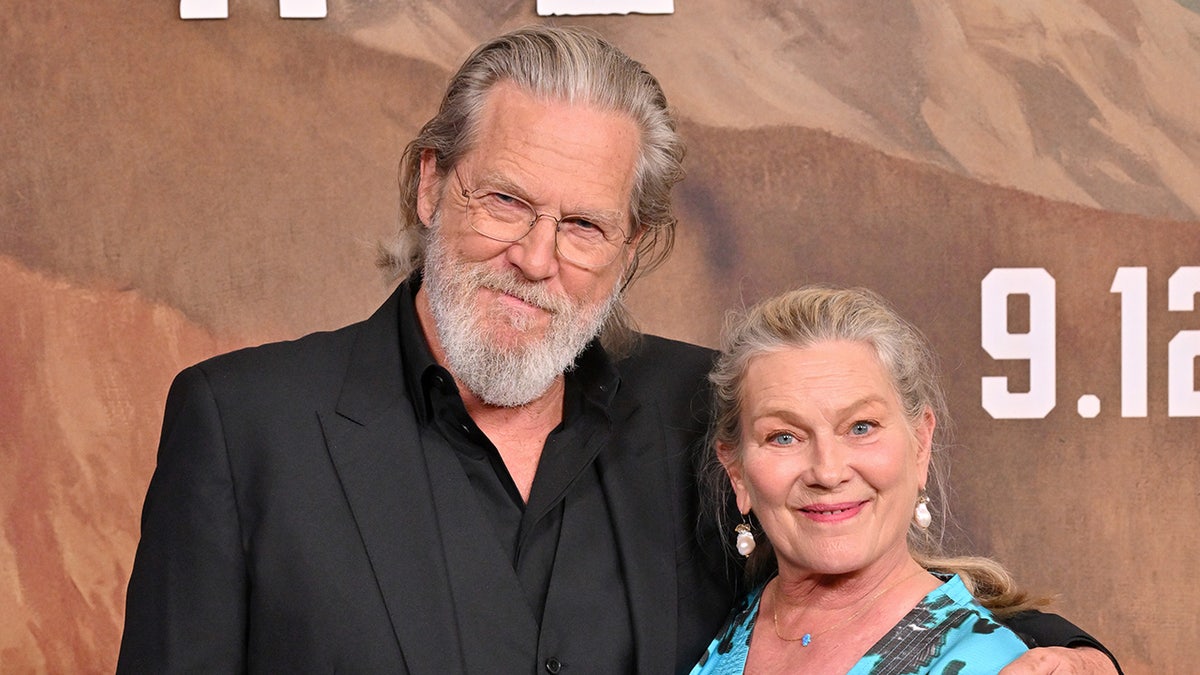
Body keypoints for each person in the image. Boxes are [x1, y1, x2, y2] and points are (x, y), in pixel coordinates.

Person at [118, 25, 1118, 674]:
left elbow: (856, 564)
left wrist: (1054, 652)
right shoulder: (246, 425)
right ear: (431, 186)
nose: (536, 259)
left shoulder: (705, 410)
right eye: (505, 200)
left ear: (632, 247)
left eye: (585, 225)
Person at [691, 286, 1120, 674]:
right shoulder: (710, 630)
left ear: (920, 444)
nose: (828, 471)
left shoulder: (999, 665)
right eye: (784, 436)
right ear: (736, 470)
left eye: (860, 427)